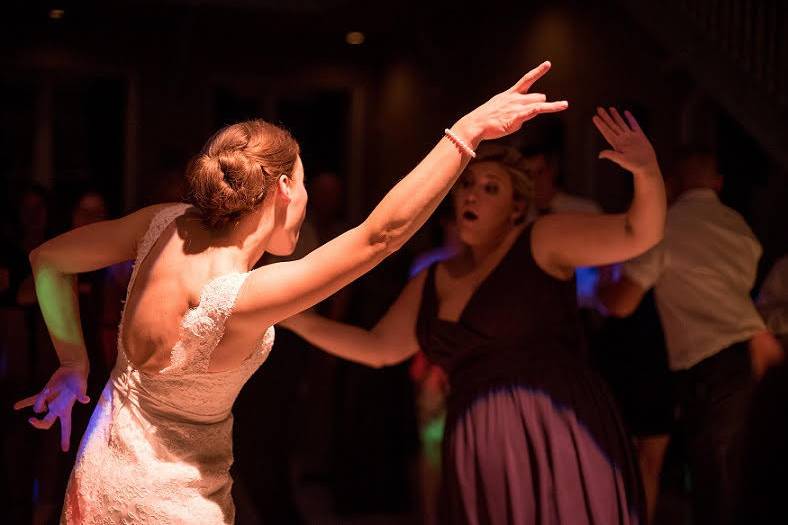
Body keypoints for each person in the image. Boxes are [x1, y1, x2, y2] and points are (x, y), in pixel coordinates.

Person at [12, 61, 566, 524]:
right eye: (303, 183)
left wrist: (72, 363)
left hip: (99, 478)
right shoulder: (241, 296)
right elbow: (380, 236)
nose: (304, 202)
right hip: (173, 505)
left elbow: (48, 261)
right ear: (281, 188)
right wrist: (465, 134)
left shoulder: (163, 224)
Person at [281, 106, 667, 524]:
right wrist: (292, 318)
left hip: (553, 428)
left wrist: (646, 172)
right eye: (466, 184)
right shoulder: (434, 278)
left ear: (517, 206)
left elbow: (639, 233)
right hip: (477, 441)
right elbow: (378, 349)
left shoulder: (541, 240)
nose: (471, 194)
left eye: (490, 188)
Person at [598, 149, 784, 525]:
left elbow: (622, 302)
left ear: (673, 182)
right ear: (718, 183)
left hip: (714, 363)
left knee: (715, 481)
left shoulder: (665, 225)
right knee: (745, 474)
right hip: (757, 352)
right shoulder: (739, 226)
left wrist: (602, 281)